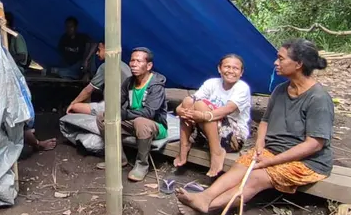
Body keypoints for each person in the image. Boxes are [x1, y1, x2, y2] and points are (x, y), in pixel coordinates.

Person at [175, 38, 333, 215]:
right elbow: (265, 122)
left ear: (298, 64)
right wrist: (259, 143)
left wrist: (272, 161)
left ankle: (208, 208)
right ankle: (204, 197)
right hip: (273, 150)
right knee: (240, 167)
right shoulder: (280, 90)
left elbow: (314, 145)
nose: (275, 62)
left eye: (281, 59)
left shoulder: (318, 98)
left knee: (256, 177)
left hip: (307, 161)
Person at [96, 47, 168, 182]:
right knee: (102, 117)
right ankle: (118, 159)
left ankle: (142, 164)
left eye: (138, 61)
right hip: (133, 121)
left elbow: (149, 112)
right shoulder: (129, 82)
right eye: (132, 60)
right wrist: (113, 112)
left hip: (155, 125)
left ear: (149, 65)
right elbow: (118, 103)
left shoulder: (156, 85)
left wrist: (123, 114)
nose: (133, 64)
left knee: (141, 121)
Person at [174, 54, 252, 177]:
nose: (231, 71)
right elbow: (190, 100)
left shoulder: (242, 88)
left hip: (232, 139)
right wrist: (180, 110)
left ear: (241, 73)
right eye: (227, 67)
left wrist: (203, 115)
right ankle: (184, 145)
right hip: (206, 134)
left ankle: (216, 152)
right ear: (219, 69)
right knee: (188, 101)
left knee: (200, 104)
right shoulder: (212, 83)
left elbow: (228, 109)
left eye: (235, 68)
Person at [66, 42, 131, 116]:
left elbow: (88, 90)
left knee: (75, 107)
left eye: (99, 50)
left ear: (107, 50)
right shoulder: (124, 65)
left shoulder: (106, 66)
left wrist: (73, 103)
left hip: (115, 108)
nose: (97, 53)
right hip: (128, 105)